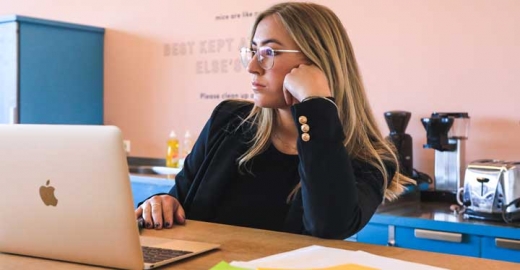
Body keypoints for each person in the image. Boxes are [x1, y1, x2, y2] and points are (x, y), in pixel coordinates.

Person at [135, 2, 414, 239]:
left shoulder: (370, 158)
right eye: (253, 50)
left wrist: (316, 105)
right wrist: (162, 203)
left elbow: (330, 227)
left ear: (316, 62)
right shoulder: (228, 120)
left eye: (269, 52)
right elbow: (179, 200)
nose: (252, 66)